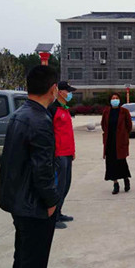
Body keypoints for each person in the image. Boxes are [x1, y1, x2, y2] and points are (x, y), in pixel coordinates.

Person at [0, 65, 61, 268]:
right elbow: (42, 169)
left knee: (23, 262)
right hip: (34, 206)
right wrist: (52, 201)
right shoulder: (40, 120)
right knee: (32, 267)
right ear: (53, 89)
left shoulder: (20, 114)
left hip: (19, 202)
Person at [48, 81, 77, 230]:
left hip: (68, 153)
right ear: (60, 92)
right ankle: (53, 217)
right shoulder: (52, 110)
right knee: (58, 186)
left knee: (66, 185)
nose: (70, 94)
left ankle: (58, 212)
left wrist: (72, 151)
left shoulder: (65, 109)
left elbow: (68, 133)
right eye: (68, 91)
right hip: (58, 154)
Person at [101, 93, 132, 195]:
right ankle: (115, 184)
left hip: (120, 141)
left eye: (116, 98)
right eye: (113, 98)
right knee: (111, 163)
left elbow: (129, 126)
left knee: (121, 162)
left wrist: (124, 134)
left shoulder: (124, 111)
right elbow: (103, 125)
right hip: (110, 141)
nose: (115, 100)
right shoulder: (106, 111)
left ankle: (126, 179)